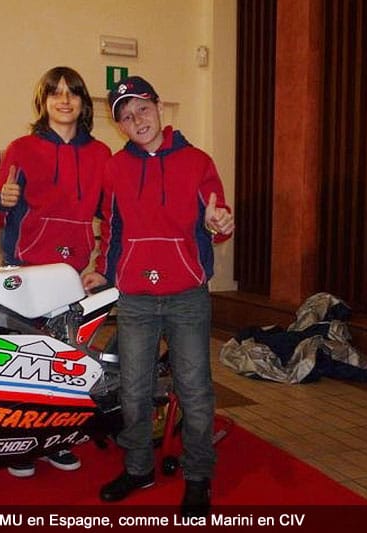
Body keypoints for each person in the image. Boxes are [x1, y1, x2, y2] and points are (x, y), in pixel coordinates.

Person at [82, 76, 234, 517]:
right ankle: (138, 468)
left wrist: (220, 224)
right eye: (127, 117)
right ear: (120, 126)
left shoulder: (198, 161)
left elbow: (218, 217)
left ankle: (198, 476)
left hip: (187, 295)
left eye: (142, 110)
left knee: (194, 389)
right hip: (137, 298)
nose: (137, 121)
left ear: (159, 107)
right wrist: (103, 270)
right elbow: (112, 227)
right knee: (133, 389)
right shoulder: (114, 168)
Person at [0, 66, 112, 477]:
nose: (64, 100)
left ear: (83, 102)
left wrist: (104, 267)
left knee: (63, 362)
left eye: (72, 92)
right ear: (43, 101)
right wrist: (1, 202)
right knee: (21, 362)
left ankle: (57, 439)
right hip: (24, 270)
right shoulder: (21, 148)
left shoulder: (101, 155)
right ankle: (19, 444)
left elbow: (113, 217)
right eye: (55, 93)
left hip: (69, 275)